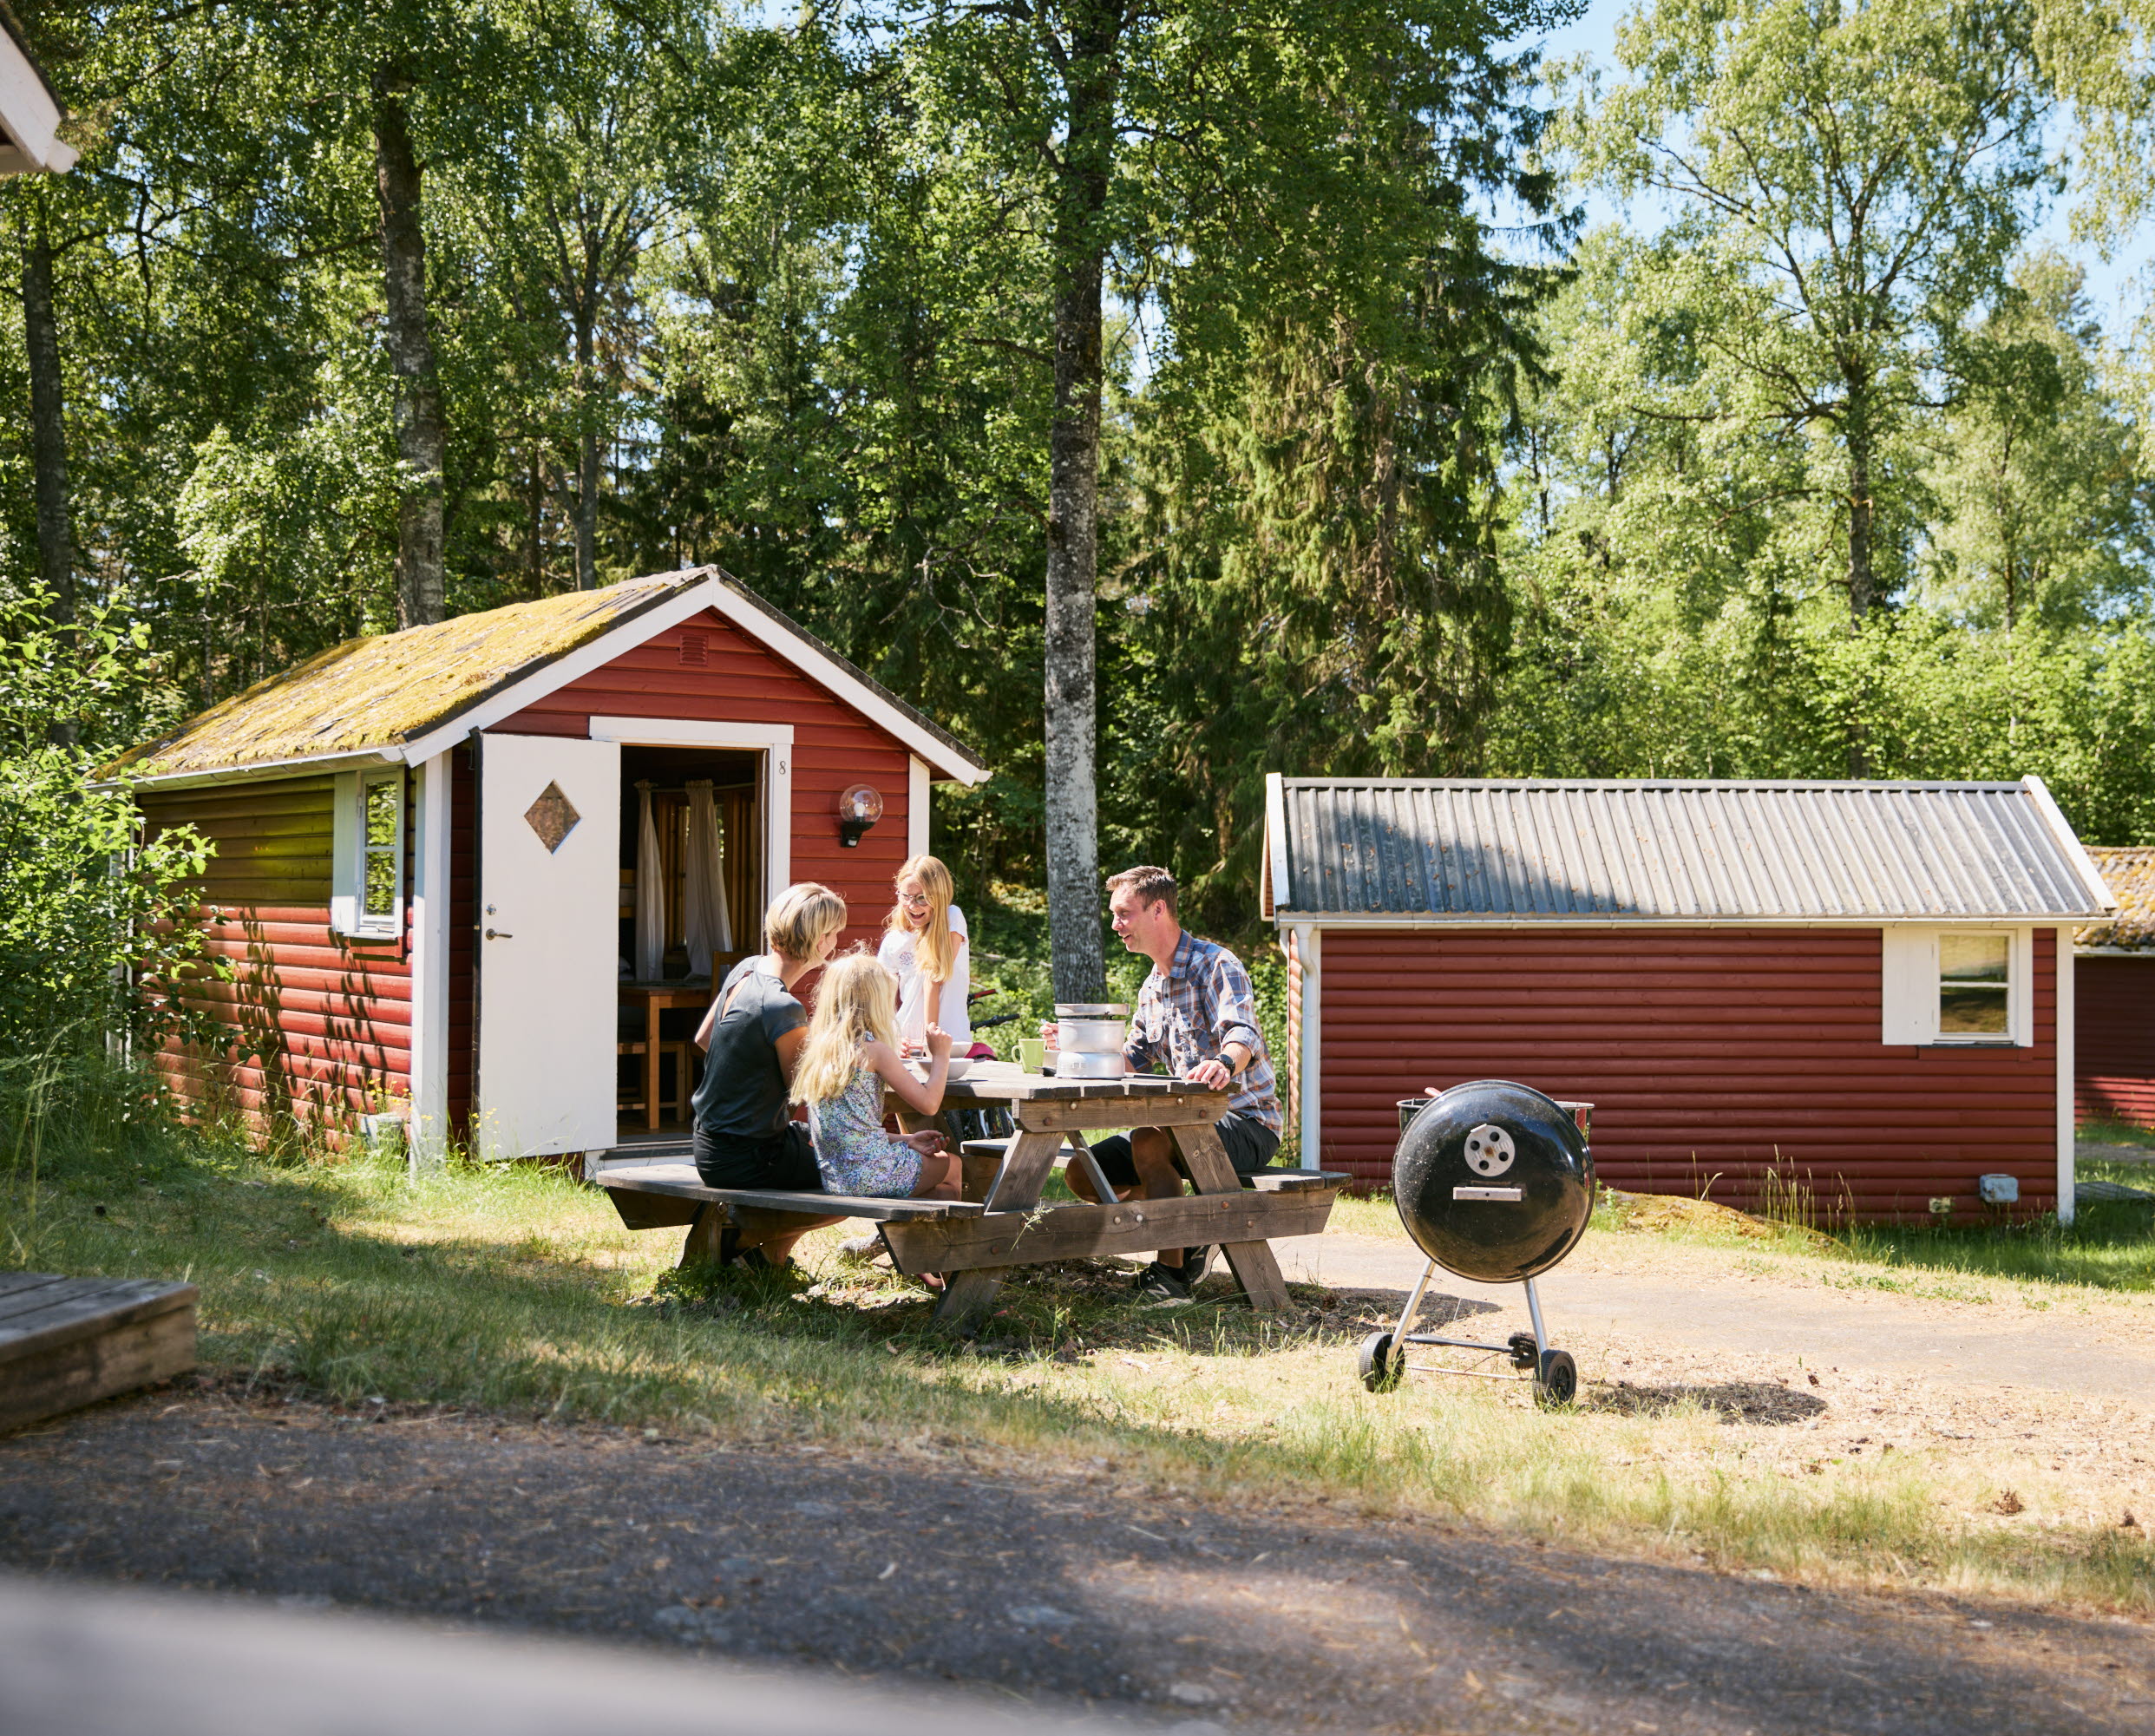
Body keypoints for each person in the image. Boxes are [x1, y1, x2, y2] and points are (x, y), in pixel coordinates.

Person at [1045, 864, 1282, 1303]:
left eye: (1124, 914)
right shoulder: (1152, 986)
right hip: (1184, 1123)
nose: (1115, 925)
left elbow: (1242, 1032)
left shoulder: (1217, 964)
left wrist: (1224, 1063)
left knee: (1149, 1141)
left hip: (1246, 1123)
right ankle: (1190, 1230)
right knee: (1083, 1172)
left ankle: (1171, 1277)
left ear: (1157, 910)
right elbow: (1130, 1061)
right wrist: (1073, 1045)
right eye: (1113, 915)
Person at [689, 881, 850, 1270]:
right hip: (748, 1156)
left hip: (711, 1141)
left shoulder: (746, 969)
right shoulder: (781, 1007)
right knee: (854, 1177)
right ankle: (740, 1240)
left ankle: (766, 1263)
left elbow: (704, 1039)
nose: (836, 943)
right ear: (819, 941)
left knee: (825, 1152)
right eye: (834, 934)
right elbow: (806, 1089)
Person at [793, 950, 962, 1209]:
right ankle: (945, 1233)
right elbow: (929, 1104)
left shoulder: (820, 1051)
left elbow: (850, 1133)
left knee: (937, 1190)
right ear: (876, 1002)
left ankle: (903, 1232)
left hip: (838, 1180)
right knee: (954, 1165)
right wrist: (941, 1055)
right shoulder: (873, 1050)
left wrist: (908, 1140)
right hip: (873, 1175)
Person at [876, 855, 985, 1057]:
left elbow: (933, 979)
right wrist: (893, 1038)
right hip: (906, 1046)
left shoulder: (952, 917)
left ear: (939, 896)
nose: (912, 905)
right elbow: (879, 999)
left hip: (949, 1042)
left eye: (922, 898)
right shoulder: (894, 939)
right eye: (906, 896)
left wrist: (930, 1040)